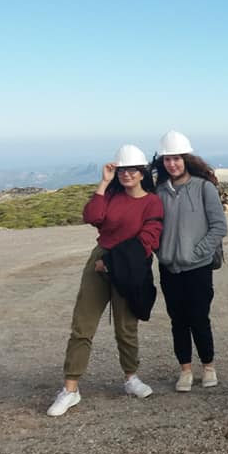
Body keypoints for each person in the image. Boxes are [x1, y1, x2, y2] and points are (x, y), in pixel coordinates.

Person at [47, 145, 164, 417]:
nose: (126, 174)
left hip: (130, 265)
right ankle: (70, 389)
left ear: (142, 172)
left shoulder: (152, 202)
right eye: (122, 170)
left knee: (126, 326)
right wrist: (104, 182)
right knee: (83, 325)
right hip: (101, 260)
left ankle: (131, 377)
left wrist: (111, 264)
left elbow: (148, 239)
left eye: (131, 170)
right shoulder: (111, 195)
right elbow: (92, 216)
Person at [154, 130, 228, 393]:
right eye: (167, 159)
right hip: (169, 268)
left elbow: (219, 227)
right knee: (178, 321)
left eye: (176, 158)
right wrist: (161, 251)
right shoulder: (160, 191)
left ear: (186, 159)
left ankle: (208, 366)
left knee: (199, 318)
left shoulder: (204, 188)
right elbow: (153, 227)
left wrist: (198, 253)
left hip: (198, 268)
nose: (172, 164)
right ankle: (185, 370)